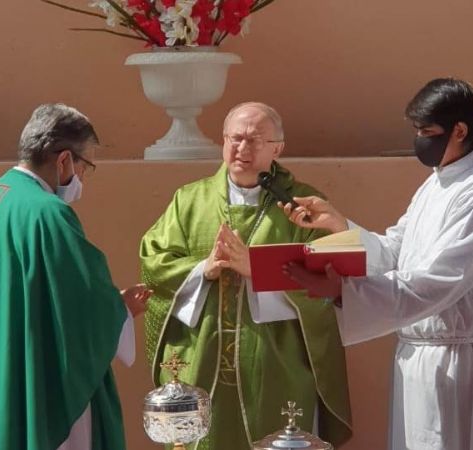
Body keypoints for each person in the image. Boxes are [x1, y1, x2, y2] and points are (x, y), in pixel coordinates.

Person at [282, 79, 473, 450]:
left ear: (460, 130)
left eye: (428, 132)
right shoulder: (437, 183)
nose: (420, 141)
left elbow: (441, 280)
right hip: (417, 357)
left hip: (457, 362)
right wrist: (339, 225)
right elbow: (397, 252)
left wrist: (345, 291)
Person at [0, 103, 151, 450]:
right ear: (64, 159)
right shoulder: (47, 213)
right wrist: (121, 310)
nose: (81, 179)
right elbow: (81, 304)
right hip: (36, 380)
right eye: (85, 166)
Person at [140, 102, 352, 450]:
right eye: (235, 138)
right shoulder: (189, 200)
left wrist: (258, 270)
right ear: (223, 140)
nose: (242, 149)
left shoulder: (303, 206)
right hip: (202, 359)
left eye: (255, 140)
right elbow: (154, 262)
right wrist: (201, 270)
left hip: (276, 364)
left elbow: (331, 278)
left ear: (277, 148)